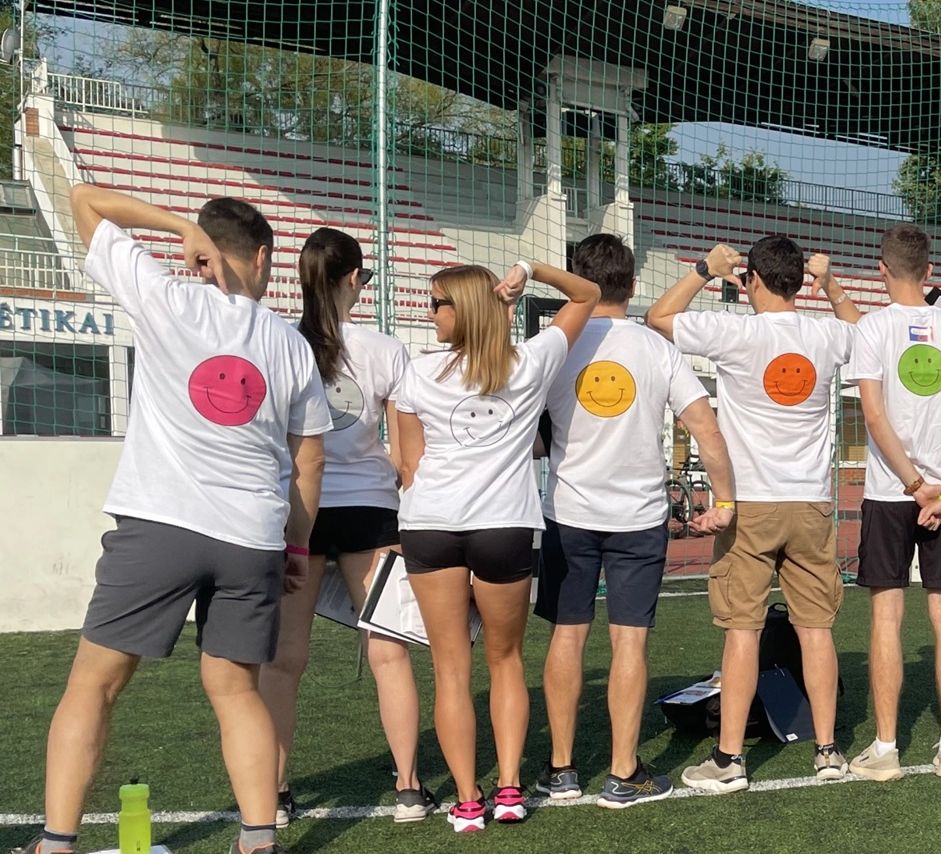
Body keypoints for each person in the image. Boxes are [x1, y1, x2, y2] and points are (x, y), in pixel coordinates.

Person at [34, 185, 330, 854]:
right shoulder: (289, 344)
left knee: (95, 682)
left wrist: (177, 226)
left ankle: (55, 843)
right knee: (235, 690)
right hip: (253, 536)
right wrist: (297, 545)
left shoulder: (165, 296)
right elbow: (308, 459)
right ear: (259, 258)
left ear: (203, 253)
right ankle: (258, 841)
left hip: (159, 524)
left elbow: (83, 199)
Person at [648, 236, 863, 793]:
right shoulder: (825, 333)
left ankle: (729, 761)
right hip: (812, 501)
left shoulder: (737, 331)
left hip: (749, 505)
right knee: (816, 629)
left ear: (755, 282)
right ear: (797, 279)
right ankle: (828, 750)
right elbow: (868, 337)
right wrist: (831, 283)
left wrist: (704, 269)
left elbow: (659, 317)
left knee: (741, 631)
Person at [393, 258, 600, 832]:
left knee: (450, 668)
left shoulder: (418, 374)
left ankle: (467, 800)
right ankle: (509, 790)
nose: (429, 311)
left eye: (437, 302)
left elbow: (409, 464)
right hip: (504, 526)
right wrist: (531, 270)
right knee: (505, 661)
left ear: (464, 309)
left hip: (430, 526)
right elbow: (588, 295)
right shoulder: (530, 362)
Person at [530, 233, 736, 809]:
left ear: (579, 277)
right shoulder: (655, 348)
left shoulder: (556, 344)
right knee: (630, 643)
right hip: (638, 519)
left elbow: (528, 431)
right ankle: (623, 772)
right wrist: (724, 501)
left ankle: (562, 769)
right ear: (633, 284)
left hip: (567, 513)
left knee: (567, 636)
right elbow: (707, 430)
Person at [256, 228, 430, 826]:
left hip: (297, 511)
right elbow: (411, 457)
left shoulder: (277, 340)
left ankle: (273, 797)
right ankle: (409, 787)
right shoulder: (385, 349)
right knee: (389, 653)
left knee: (284, 661)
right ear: (355, 279)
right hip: (370, 511)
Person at [845, 224, 941, 781]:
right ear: (930, 273)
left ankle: (886, 750)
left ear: (882, 270)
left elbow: (874, 417)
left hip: (891, 492)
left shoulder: (873, 329)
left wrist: (913, 485)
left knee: (887, 616)